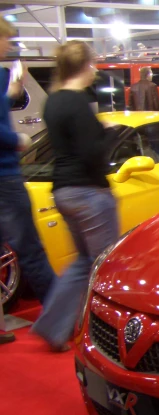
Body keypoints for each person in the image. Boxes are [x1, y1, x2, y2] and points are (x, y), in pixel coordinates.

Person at [31, 41, 119, 351]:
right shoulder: (78, 103)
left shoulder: (53, 101)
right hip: (88, 192)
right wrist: (108, 131)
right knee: (105, 267)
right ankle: (102, 337)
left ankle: (52, 325)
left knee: (83, 263)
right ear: (86, 66)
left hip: (63, 190)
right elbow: (91, 154)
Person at [0, 19, 55, 310]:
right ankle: (59, 321)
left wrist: (12, 89)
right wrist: (17, 140)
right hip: (6, 175)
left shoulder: (2, 75)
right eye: (6, 40)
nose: (8, 46)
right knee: (31, 251)